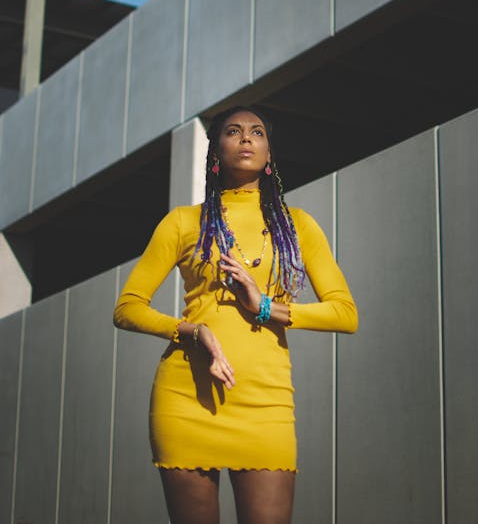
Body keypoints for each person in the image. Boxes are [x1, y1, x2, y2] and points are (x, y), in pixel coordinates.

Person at [113, 105, 358, 524]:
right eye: (233, 131)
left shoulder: (297, 225)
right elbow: (127, 308)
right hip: (187, 398)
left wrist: (263, 306)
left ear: (269, 155)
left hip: (266, 403)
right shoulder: (183, 222)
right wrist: (191, 332)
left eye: (257, 132)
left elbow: (345, 314)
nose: (246, 138)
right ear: (215, 151)